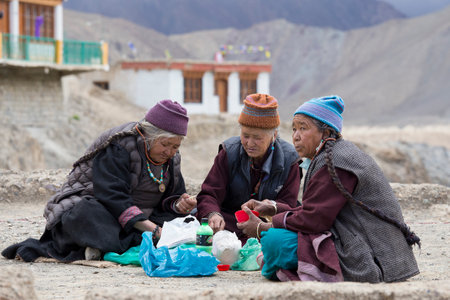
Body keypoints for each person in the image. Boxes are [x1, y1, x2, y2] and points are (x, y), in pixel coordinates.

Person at [237, 95, 420, 283]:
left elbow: (314, 220)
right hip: (369, 245)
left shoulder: (335, 162)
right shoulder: (334, 155)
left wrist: (261, 228)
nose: (296, 136)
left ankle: (275, 263)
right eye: (294, 129)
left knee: (275, 241)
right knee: (277, 239)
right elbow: (318, 210)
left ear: (325, 133)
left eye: (303, 128)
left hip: (372, 256)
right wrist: (274, 208)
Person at [2, 100, 197, 262]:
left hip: (142, 218)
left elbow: (172, 196)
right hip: (105, 208)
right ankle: (134, 239)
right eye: (165, 144)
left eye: (175, 146)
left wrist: (179, 205)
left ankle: (113, 244)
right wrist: (154, 230)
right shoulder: (120, 145)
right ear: (148, 135)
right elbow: (112, 197)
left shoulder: (172, 158)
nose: (169, 152)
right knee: (86, 215)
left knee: (193, 217)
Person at [196, 93, 300, 243]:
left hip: (264, 227)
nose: (250, 143)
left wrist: (270, 207)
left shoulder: (290, 160)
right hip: (228, 223)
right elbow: (209, 194)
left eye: (257, 138)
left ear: (274, 135)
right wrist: (213, 215)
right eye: (245, 135)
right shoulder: (229, 153)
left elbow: (289, 206)